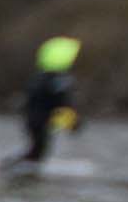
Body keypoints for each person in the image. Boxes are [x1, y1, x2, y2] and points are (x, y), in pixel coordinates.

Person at [19, 35, 83, 165]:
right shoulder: (58, 80)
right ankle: (16, 166)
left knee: (37, 149)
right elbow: (63, 103)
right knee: (38, 150)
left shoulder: (41, 77)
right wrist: (73, 122)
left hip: (34, 118)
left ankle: (19, 166)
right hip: (39, 119)